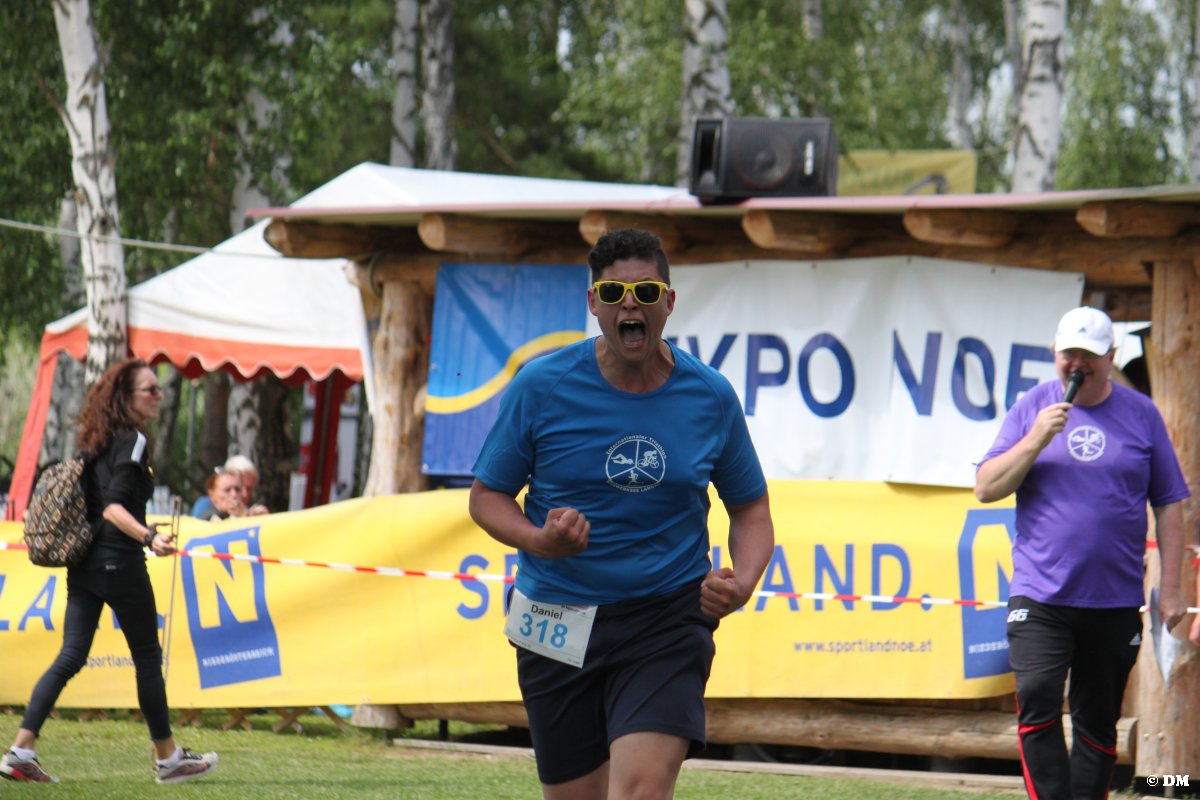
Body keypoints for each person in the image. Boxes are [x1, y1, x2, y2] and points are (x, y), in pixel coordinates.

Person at [469, 228, 775, 800]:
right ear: (593, 303)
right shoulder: (542, 386)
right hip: (557, 613)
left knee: (641, 792)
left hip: (666, 617)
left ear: (669, 301)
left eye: (645, 291)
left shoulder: (710, 396)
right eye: (613, 294)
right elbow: (486, 497)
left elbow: (751, 507)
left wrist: (743, 583)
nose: (629, 305)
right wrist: (539, 539)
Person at [974, 306, 1189, 800]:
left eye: (1090, 355)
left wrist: (1173, 588)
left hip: (1113, 599)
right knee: (1037, 696)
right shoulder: (1032, 407)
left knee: (1097, 721)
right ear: (1055, 353)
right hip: (1040, 595)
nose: (1078, 364)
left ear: (1111, 356)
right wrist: (1036, 438)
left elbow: (1170, 504)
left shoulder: (1142, 414)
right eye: (1069, 353)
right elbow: (986, 488)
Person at [1, 358, 218, 785]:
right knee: (147, 658)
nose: (159, 395)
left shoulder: (97, 440)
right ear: (127, 398)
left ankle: (20, 751)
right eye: (150, 389)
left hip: (84, 563)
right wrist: (149, 537)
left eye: (159, 388)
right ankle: (168, 759)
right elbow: (114, 508)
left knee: (71, 656)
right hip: (119, 562)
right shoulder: (133, 440)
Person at [191, 454, 268, 519]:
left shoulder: (246, 510)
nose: (234, 495)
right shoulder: (205, 508)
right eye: (227, 490)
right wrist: (244, 517)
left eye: (238, 489)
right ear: (212, 494)